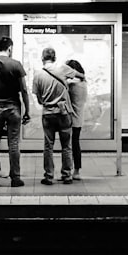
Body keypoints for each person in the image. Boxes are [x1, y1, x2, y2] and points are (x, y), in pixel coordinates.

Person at [0, 37, 29, 187]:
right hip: (13, 107)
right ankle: (15, 178)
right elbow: (24, 90)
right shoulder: (16, 65)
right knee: (13, 143)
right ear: (10, 48)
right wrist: (27, 110)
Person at [31, 47, 75, 185]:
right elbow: (79, 75)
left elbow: (38, 98)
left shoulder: (38, 74)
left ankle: (49, 176)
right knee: (66, 146)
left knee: (48, 146)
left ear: (42, 58)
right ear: (55, 57)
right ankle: (67, 175)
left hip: (48, 114)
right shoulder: (62, 69)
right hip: (63, 113)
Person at [64, 59, 88, 180]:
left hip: (70, 119)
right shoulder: (84, 84)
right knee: (75, 144)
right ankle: (76, 170)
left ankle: (69, 170)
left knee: (69, 146)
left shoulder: (71, 85)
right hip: (79, 118)